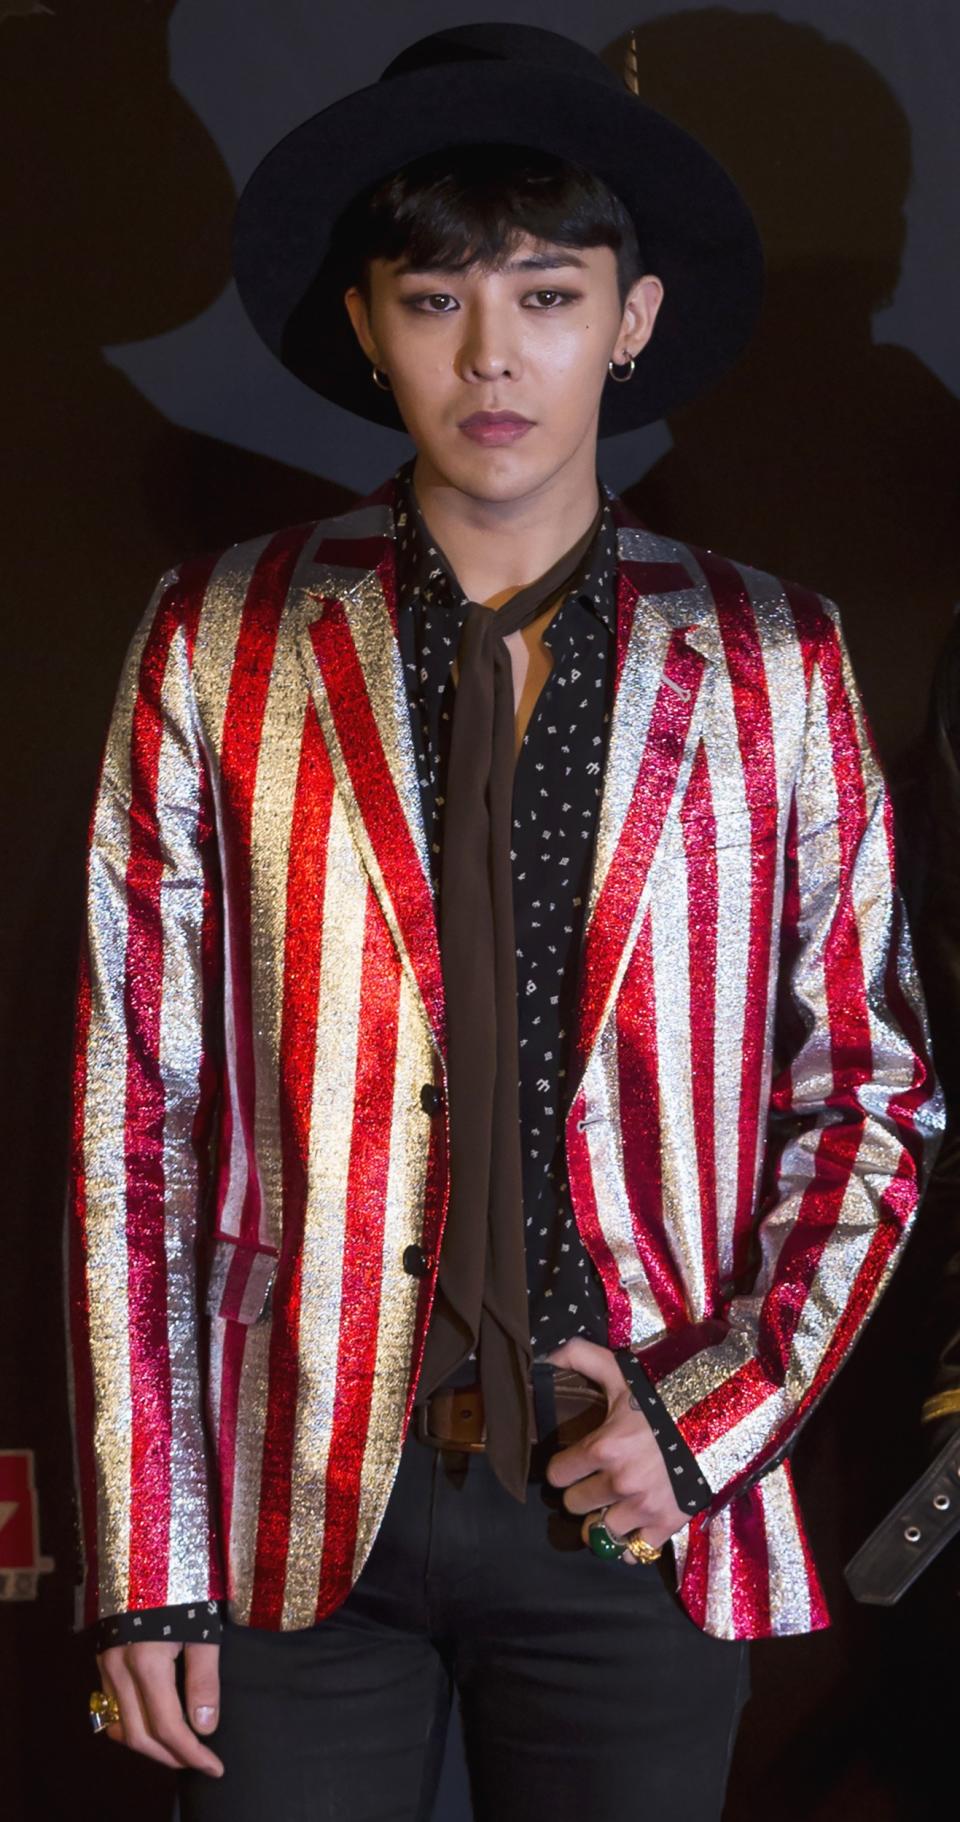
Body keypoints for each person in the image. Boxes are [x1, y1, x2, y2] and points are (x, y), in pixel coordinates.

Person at [67, 23, 943, 1822]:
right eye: (436, 298)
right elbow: (128, 1122)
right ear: (366, 325)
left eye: (547, 294)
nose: (493, 356)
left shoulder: (777, 660)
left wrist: (713, 1419)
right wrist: (145, 1546)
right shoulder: (219, 635)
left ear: (630, 321)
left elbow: (871, 1088)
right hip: (291, 1498)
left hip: (634, 1496)